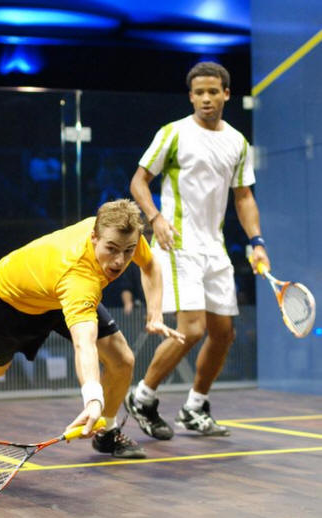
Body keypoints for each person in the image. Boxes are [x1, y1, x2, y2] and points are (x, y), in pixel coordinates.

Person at [0, 199, 184, 458]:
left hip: (57, 293)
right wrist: (93, 399)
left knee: (122, 360)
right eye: (111, 249)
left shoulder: (121, 232)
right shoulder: (79, 277)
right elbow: (84, 343)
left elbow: (150, 264)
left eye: (128, 251)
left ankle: (107, 433)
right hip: (12, 301)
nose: (119, 261)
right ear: (94, 237)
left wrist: (155, 314)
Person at [124, 61, 270, 440]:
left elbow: (244, 197)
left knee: (223, 334)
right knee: (191, 330)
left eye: (213, 92)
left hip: (214, 250)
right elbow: (139, 181)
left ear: (226, 94)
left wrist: (257, 242)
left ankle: (194, 407)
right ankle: (142, 396)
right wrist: (155, 217)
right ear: (191, 96)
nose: (206, 99)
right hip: (177, 245)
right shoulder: (173, 133)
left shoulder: (238, 142)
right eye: (199, 92)